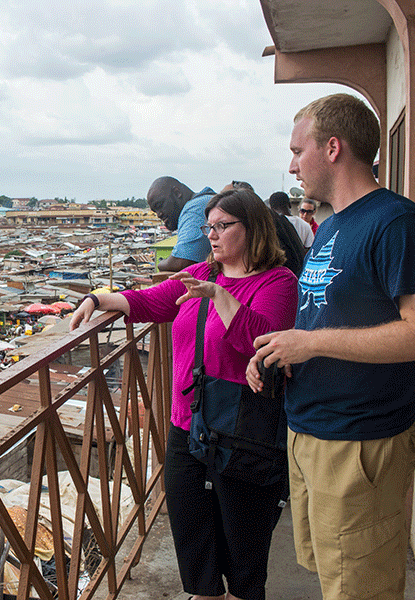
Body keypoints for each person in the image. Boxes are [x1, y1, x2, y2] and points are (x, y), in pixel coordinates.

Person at [247, 93, 415, 600]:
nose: (291, 165)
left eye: (298, 150)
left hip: (360, 443)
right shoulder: (332, 224)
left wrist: (311, 344)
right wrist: (280, 352)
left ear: (333, 148)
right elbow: (327, 312)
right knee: (336, 578)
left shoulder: (395, 223)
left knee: (361, 590)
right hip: (313, 433)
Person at [72, 187, 298, 600]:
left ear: (252, 229)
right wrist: (97, 298)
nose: (211, 235)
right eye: (208, 226)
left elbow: (263, 343)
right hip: (188, 422)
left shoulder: (277, 282)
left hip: (242, 429)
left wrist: (221, 297)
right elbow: (152, 302)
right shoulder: (201, 275)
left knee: (244, 550)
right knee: (193, 540)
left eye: (222, 226)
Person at [147, 176, 216, 272]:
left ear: (177, 193)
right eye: (155, 211)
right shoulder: (206, 199)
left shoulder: (194, 209)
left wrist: (160, 264)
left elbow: (181, 262)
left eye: (160, 205)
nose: (159, 214)